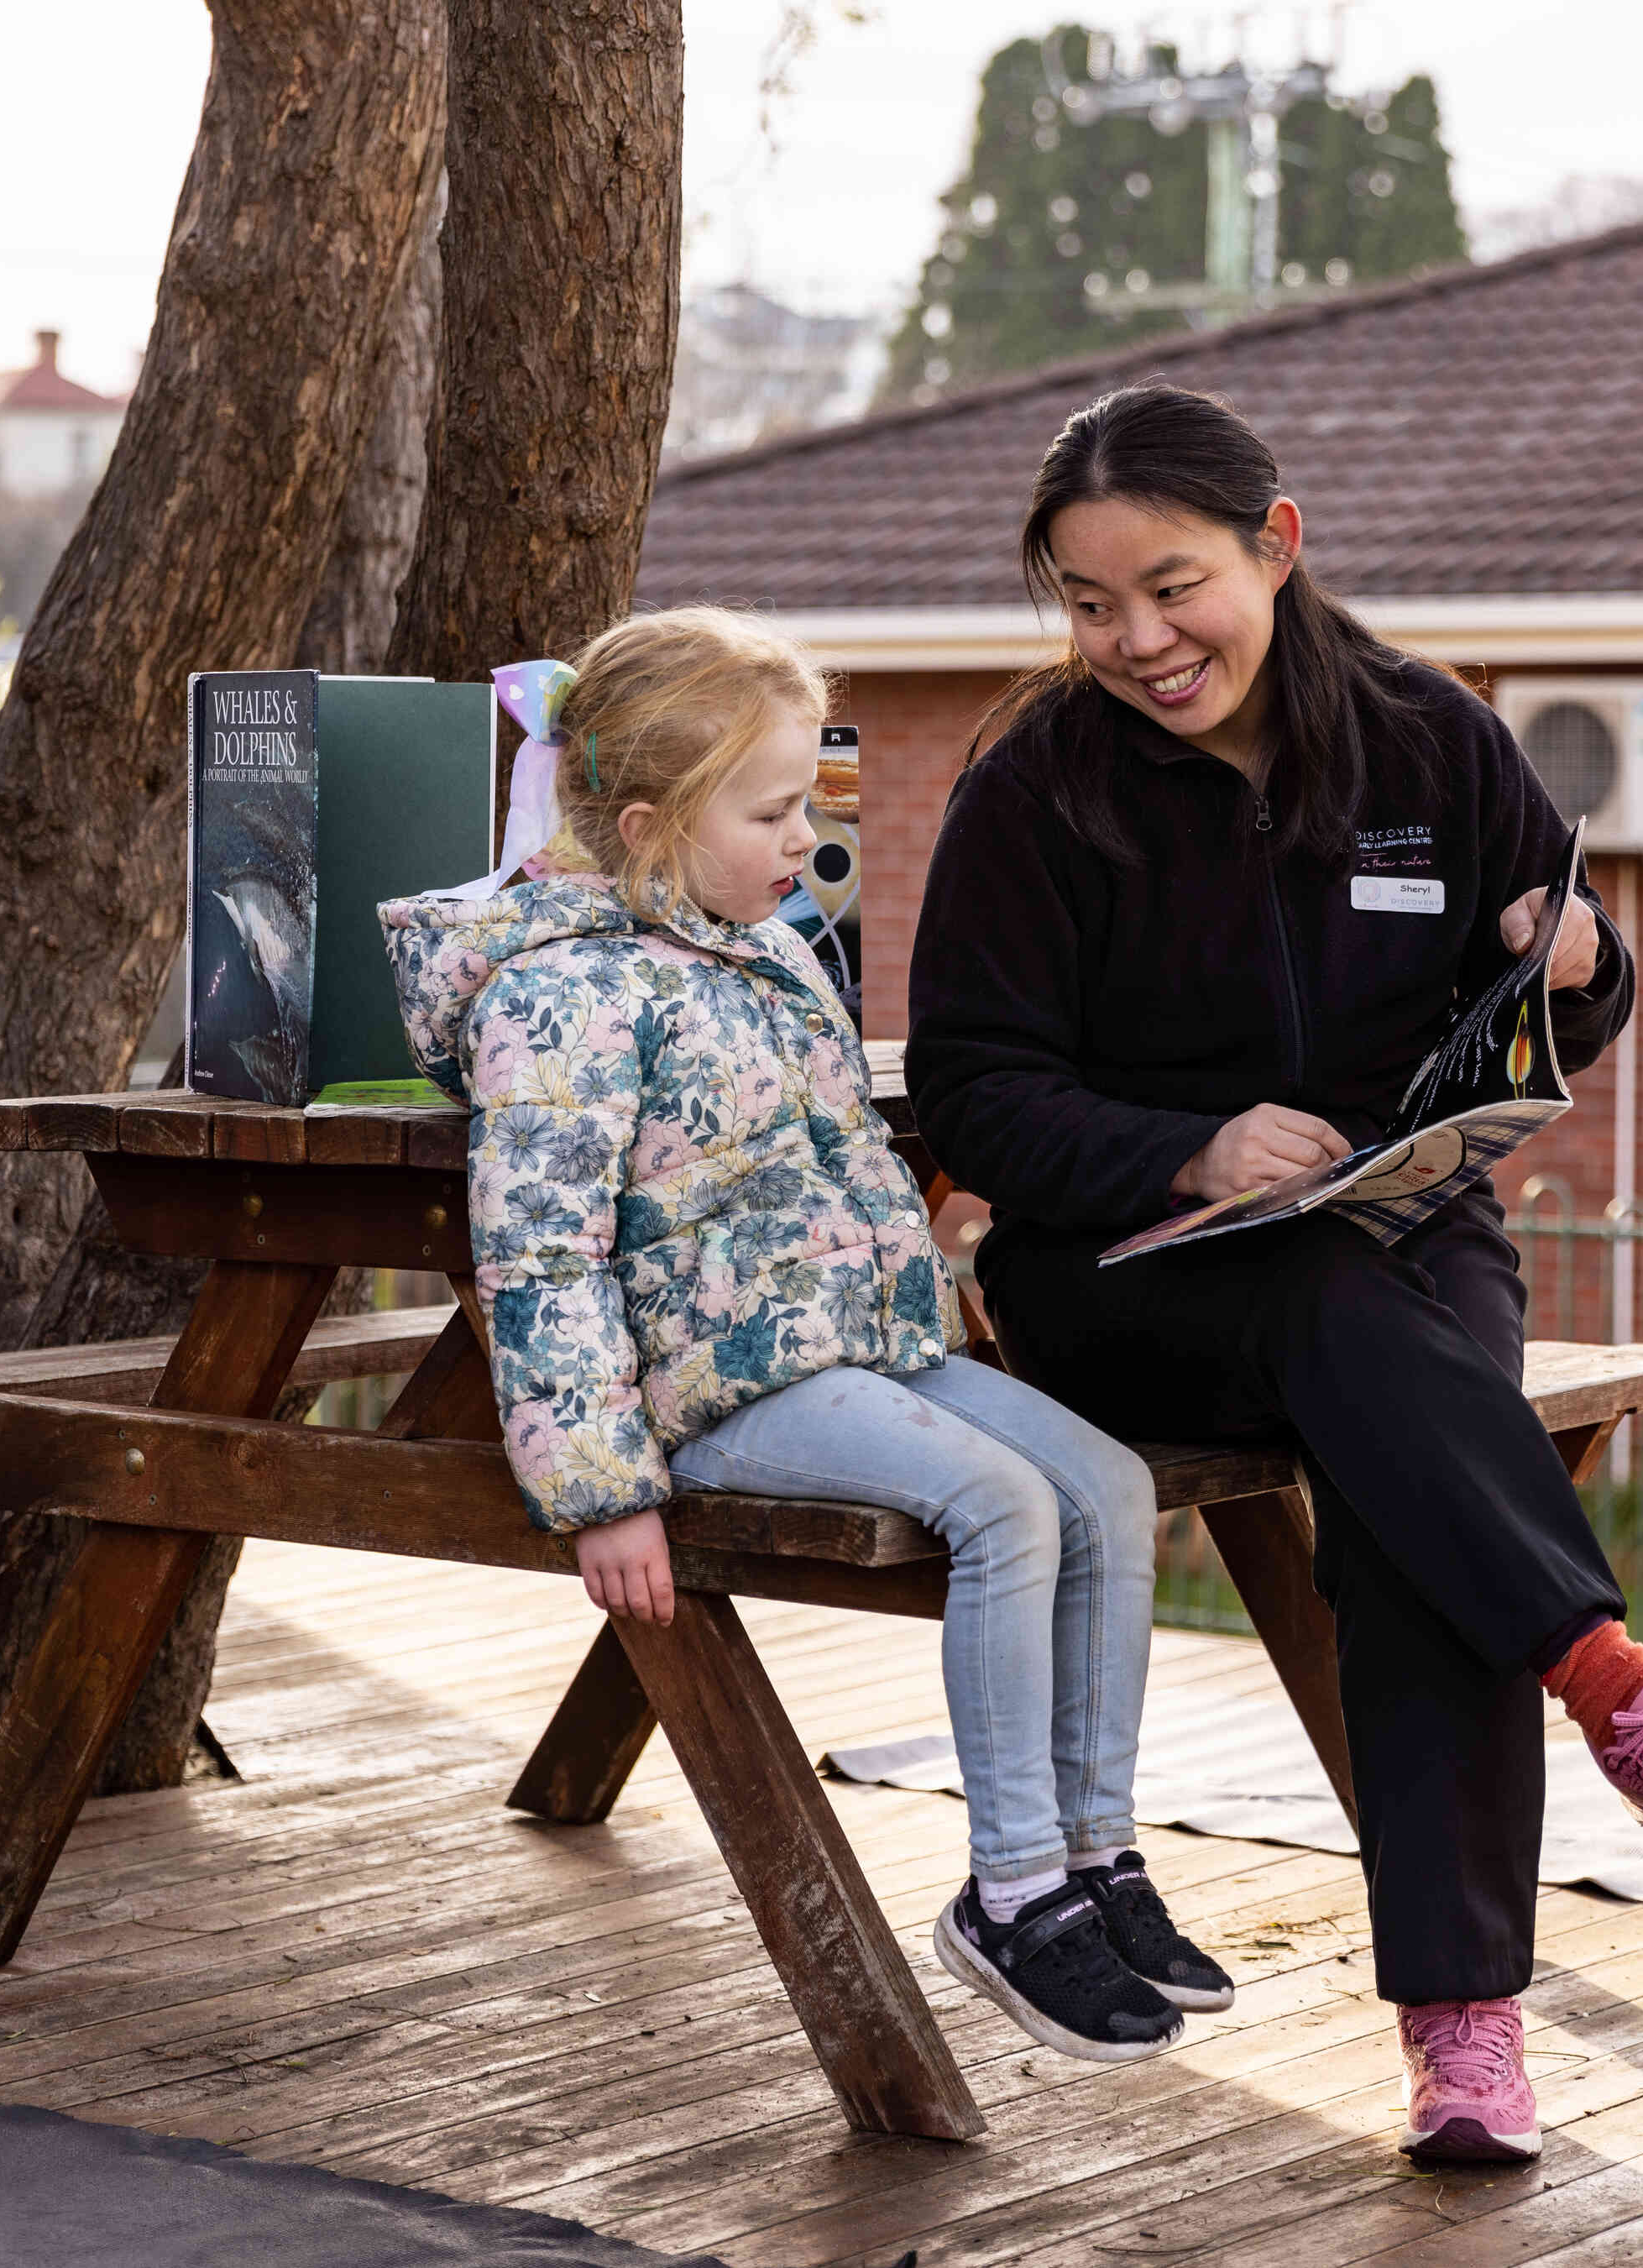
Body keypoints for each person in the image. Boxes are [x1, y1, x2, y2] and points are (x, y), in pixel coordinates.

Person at [906, 385, 1643, 2164]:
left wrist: (1580, 960)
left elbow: (1556, 996)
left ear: (1277, 544)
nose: (1135, 640)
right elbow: (971, 1088)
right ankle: (1627, 1704)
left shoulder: (1431, 740)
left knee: (1407, 1470)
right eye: (1089, 604)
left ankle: (1464, 2036)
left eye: (1170, 587)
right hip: (1124, 1276)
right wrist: (1188, 1149)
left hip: (1407, 1230)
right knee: (1373, 1361)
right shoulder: (1037, 787)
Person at [389, 605, 1222, 2065]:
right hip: (718, 1389)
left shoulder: (764, 950)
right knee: (1006, 1502)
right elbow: (538, 1254)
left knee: (1105, 1480)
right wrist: (604, 1493)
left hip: (854, 1349)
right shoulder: (557, 996)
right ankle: (1013, 1892)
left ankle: (1096, 1855)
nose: (803, 838)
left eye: (806, 802)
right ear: (648, 829)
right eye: (771, 811)